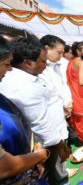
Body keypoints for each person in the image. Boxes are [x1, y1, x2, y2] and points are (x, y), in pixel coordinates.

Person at [0, 36, 70, 184]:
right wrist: (50, 150)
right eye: (43, 61)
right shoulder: (22, 86)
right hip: (39, 150)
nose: (46, 65)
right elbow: (41, 121)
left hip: (34, 149)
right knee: (53, 175)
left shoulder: (30, 76)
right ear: (27, 63)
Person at [0, 36, 48, 183]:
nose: (10, 69)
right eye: (6, 64)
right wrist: (41, 154)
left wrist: (33, 152)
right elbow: (4, 167)